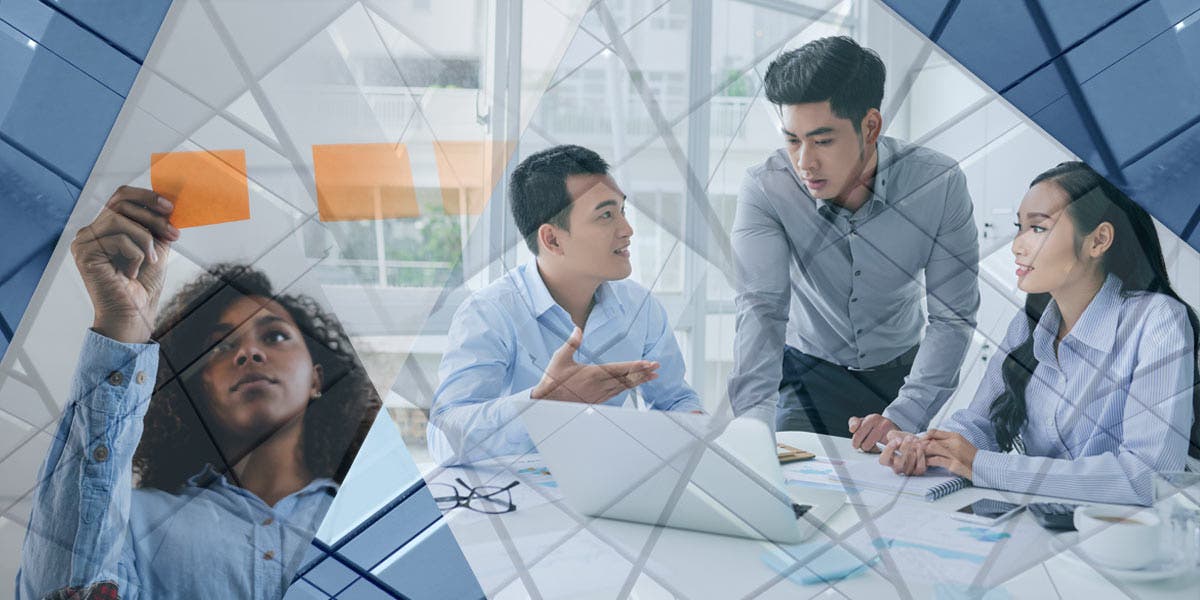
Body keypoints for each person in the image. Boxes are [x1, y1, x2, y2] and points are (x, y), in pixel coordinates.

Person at [18, 187, 381, 598]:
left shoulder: (375, 508)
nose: (250, 353)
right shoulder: (136, 520)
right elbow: (58, 590)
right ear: (199, 388)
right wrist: (121, 325)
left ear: (317, 379)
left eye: (275, 335)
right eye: (221, 346)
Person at [881, 162, 1200, 506]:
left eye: (1037, 228)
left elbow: (1148, 477)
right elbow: (980, 422)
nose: (1017, 245)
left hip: (1125, 540)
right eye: (1020, 227)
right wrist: (931, 447)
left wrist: (984, 465)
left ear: (1098, 240)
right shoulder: (1030, 323)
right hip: (1041, 526)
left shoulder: (1158, 322)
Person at [728, 36, 980, 450]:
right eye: (793, 140)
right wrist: (753, 425)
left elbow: (953, 317)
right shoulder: (766, 188)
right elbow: (761, 308)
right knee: (793, 491)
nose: (804, 162)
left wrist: (905, 413)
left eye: (822, 141)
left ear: (870, 126)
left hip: (902, 376)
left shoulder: (939, 184)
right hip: (809, 372)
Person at [427, 145, 702, 464]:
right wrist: (540, 404)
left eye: (622, 211)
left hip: (612, 487)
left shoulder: (641, 307)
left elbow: (675, 401)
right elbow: (442, 439)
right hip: (519, 502)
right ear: (552, 240)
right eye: (606, 216)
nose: (627, 231)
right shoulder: (490, 313)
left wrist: (697, 427)